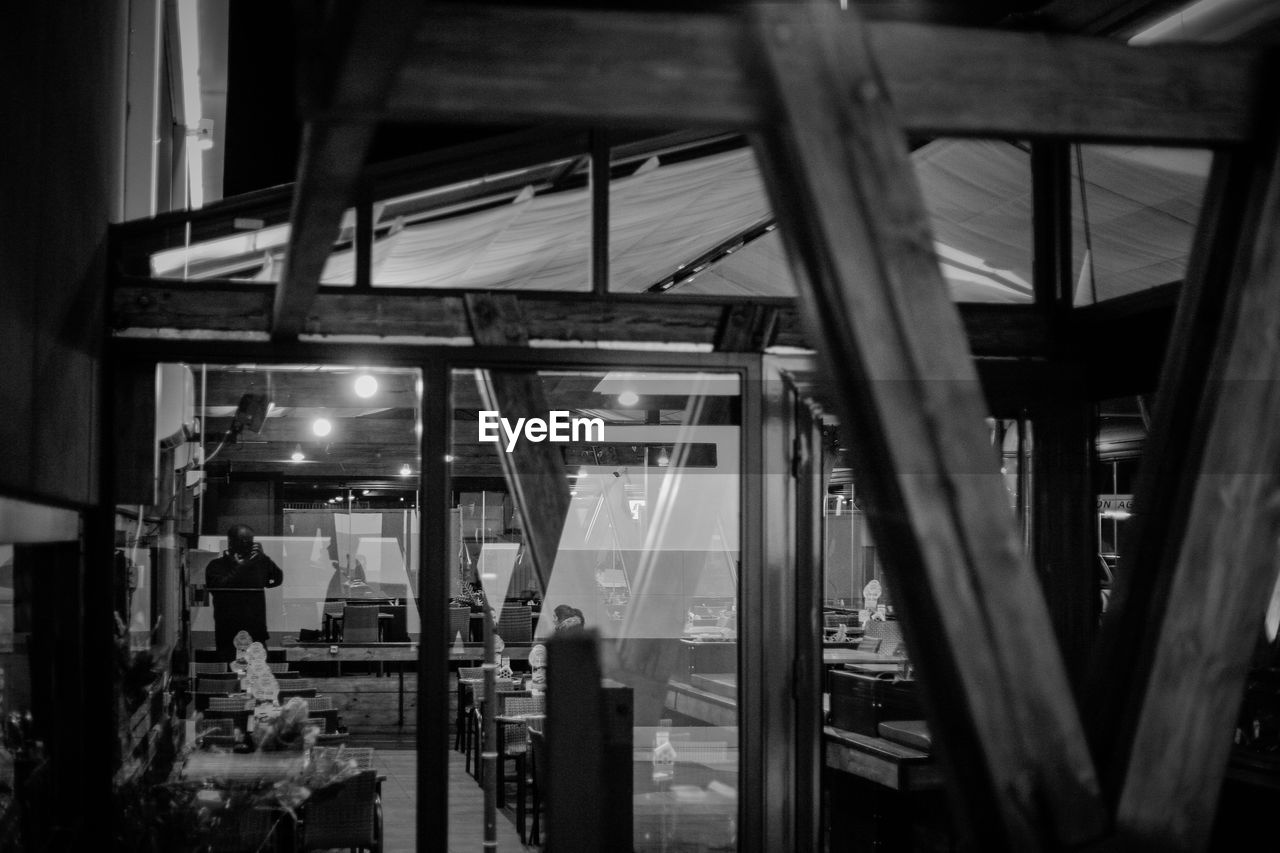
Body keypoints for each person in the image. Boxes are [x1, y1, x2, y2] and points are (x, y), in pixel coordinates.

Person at [205, 525, 283, 659]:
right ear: (231, 542)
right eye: (242, 541)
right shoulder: (216, 565)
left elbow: (277, 579)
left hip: (255, 631)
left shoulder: (258, 563)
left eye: (249, 541)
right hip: (228, 632)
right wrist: (241, 567)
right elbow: (219, 589)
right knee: (229, 672)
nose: (246, 545)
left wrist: (264, 558)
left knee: (258, 675)